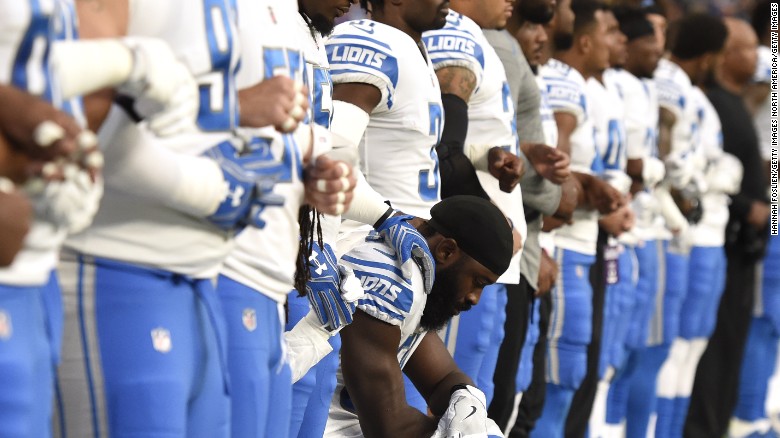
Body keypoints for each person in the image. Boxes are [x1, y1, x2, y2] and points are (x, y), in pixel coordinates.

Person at [324, 195, 512, 437]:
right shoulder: (396, 275)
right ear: (446, 251)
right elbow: (390, 430)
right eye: (477, 282)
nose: (474, 298)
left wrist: (466, 398)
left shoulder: (419, 268)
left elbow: (443, 378)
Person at [421, 0, 528, 411]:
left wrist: (493, 154)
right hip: (461, 253)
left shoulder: (474, 34)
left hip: (483, 257)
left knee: (474, 400)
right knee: (445, 398)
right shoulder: (454, 34)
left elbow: (461, 140)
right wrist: (490, 227)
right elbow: (443, 149)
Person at [531, 2, 623, 435]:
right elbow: (556, 167)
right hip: (562, 242)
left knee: (578, 367)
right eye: (610, 31)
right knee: (555, 374)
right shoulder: (559, 79)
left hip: (583, 242)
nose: (617, 41)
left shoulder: (593, 86)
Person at [685, 17, 769, 438]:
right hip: (718, 244)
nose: (758, 57)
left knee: (734, 343)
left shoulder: (738, 102)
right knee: (711, 349)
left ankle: (718, 426)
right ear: (726, 54)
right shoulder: (714, 103)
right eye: (750, 47)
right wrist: (746, 208)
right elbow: (701, 176)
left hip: (743, 250)